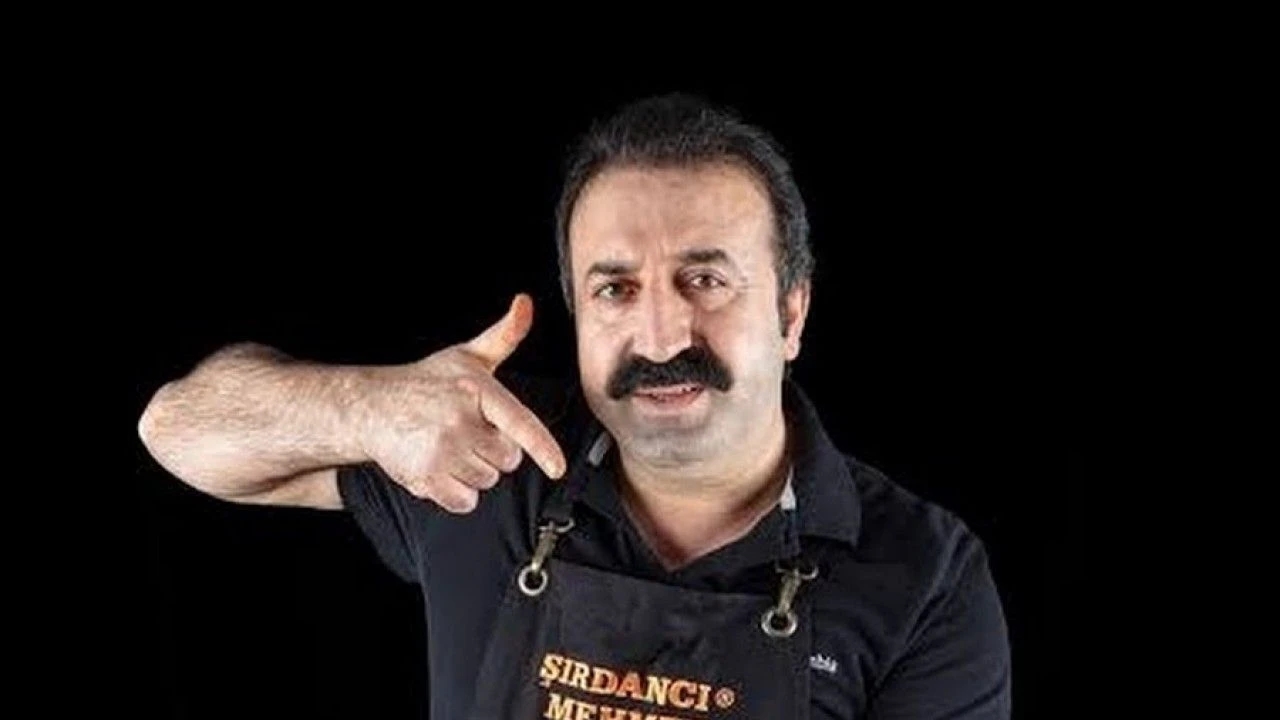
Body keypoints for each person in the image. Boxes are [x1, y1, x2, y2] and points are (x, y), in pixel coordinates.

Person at [138, 93, 1011, 719]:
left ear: (792, 313)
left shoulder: (923, 578)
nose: (661, 336)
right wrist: (368, 408)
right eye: (616, 289)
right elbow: (176, 429)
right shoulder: (486, 458)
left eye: (705, 280)